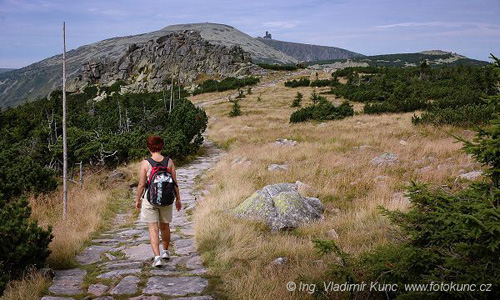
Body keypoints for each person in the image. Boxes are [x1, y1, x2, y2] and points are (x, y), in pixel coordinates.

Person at [135, 135, 182, 267]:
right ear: (161, 146)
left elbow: (141, 185)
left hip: (150, 200)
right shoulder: (169, 162)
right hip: (167, 199)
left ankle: (157, 257)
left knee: (153, 228)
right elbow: (174, 183)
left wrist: (138, 200)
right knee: (165, 226)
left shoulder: (146, 163)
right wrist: (178, 199)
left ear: (149, 147)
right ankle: (166, 251)